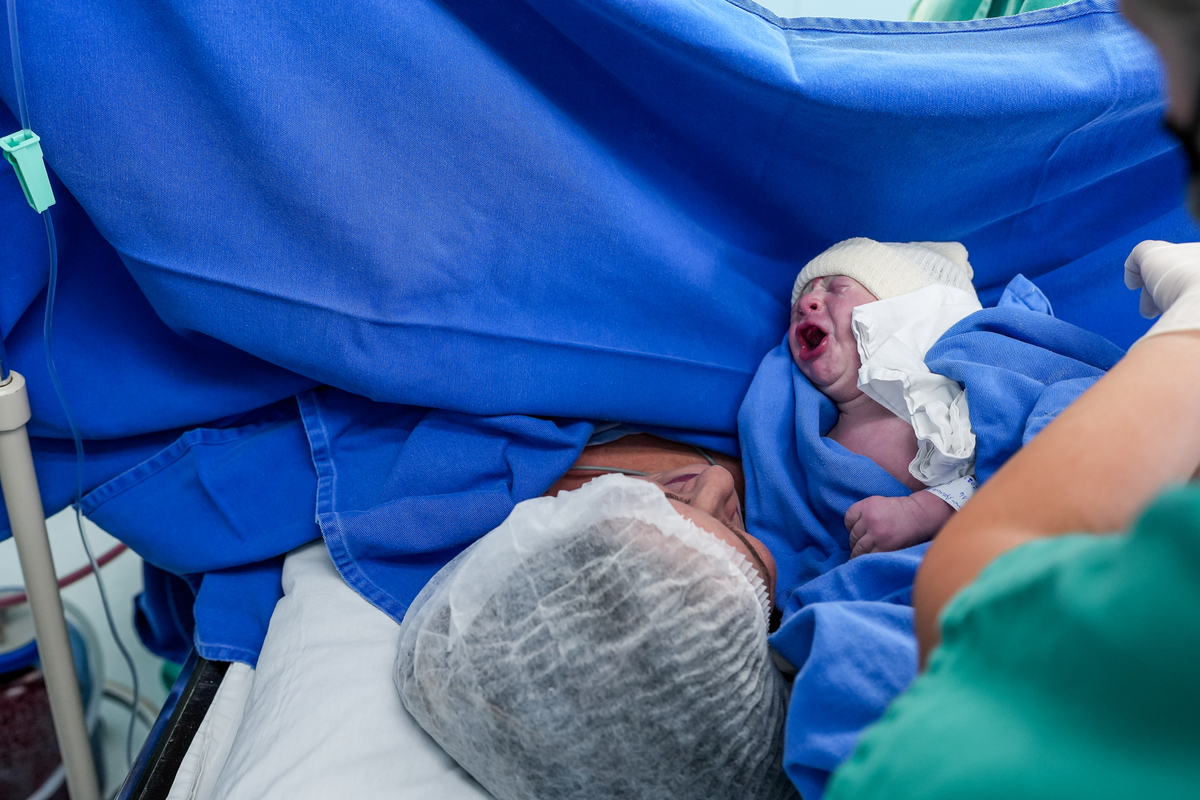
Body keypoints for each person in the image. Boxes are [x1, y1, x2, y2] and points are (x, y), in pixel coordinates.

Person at [819, 3, 1200, 793]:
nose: (813, 302)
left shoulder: (990, 352)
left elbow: (985, 605)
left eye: (1190, 147)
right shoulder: (799, 427)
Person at [787, 238, 983, 557]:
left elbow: (1013, 470)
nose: (805, 302)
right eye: (800, 301)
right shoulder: (805, 428)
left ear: (902, 310)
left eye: (836, 288)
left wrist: (922, 512)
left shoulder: (957, 403)